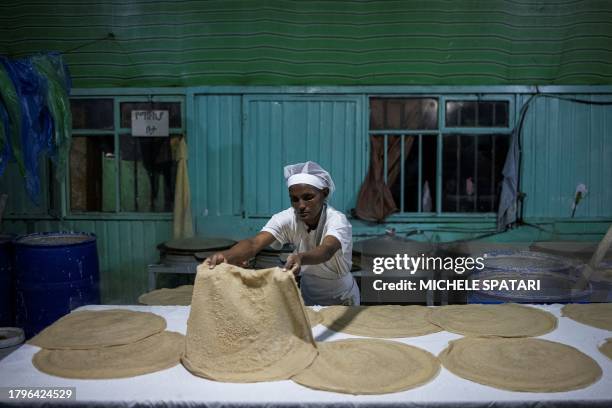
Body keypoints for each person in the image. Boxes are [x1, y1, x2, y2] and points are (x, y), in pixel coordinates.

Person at [207, 161, 360, 306]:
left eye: (308, 197)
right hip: (309, 295)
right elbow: (255, 243)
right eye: (294, 199)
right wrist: (228, 255)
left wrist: (301, 257)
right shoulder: (288, 218)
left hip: (342, 297)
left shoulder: (337, 220)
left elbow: (327, 249)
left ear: (324, 193)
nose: (301, 205)